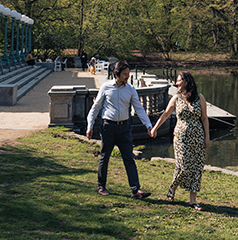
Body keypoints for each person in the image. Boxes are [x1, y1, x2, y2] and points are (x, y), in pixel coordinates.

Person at [85, 60, 152, 199]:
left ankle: (135, 190)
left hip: (125, 128)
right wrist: (89, 126)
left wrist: (148, 126)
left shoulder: (130, 89)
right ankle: (101, 185)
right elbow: (96, 107)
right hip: (108, 127)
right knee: (105, 157)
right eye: (125, 74)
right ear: (117, 74)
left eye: (128, 74)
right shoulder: (106, 87)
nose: (128, 76)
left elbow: (139, 109)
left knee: (129, 158)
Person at [148, 71, 210, 210]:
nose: (177, 83)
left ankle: (193, 200)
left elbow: (204, 118)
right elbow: (165, 115)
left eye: (179, 80)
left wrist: (207, 137)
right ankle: (173, 186)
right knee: (184, 165)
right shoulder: (176, 98)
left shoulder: (200, 98)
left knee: (197, 167)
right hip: (181, 137)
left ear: (187, 81)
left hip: (198, 137)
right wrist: (155, 128)